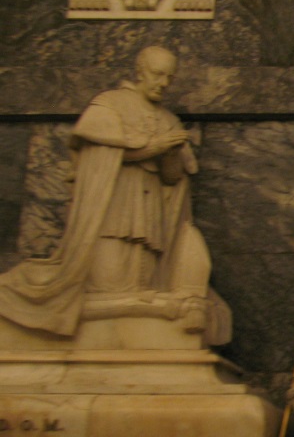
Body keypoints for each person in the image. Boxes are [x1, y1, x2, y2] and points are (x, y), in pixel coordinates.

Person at [0, 46, 223, 339]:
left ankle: (148, 324)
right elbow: (99, 153)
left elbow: (173, 178)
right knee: (108, 283)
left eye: (169, 77)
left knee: (144, 286)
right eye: (158, 75)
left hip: (151, 213)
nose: (164, 83)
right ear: (140, 71)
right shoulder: (110, 105)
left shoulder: (169, 119)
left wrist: (171, 152)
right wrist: (152, 147)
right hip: (112, 208)